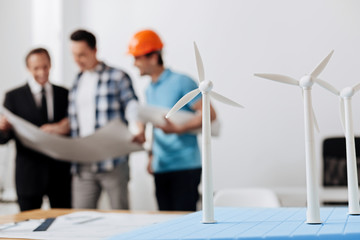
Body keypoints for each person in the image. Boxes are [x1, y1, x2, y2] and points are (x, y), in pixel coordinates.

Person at [128, 29, 216, 211]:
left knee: (185, 223)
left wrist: (178, 129)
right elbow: (156, 124)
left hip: (185, 165)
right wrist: (151, 156)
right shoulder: (149, 89)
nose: (134, 63)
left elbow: (209, 114)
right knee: (166, 220)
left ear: (153, 57)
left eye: (137, 58)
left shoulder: (182, 82)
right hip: (161, 166)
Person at [69, 29, 144, 209]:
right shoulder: (77, 81)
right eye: (74, 55)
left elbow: (133, 107)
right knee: (79, 219)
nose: (77, 60)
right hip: (83, 165)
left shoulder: (117, 76)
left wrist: (139, 129)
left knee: (120, 218)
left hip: (113, 162)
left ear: (95, 50)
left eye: (82, 55)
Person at [0, 48, 72, 211]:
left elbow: (73, 130)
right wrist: (2, 128)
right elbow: (3, 139)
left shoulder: (64, 94)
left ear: (51, 65)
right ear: (28, 69)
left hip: (59, 174)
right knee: (29, 226)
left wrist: (62, 128)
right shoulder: (13, 96)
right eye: (36, 68)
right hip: (29, 174)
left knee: (64, 225)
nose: (42, 72)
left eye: (45, 67)